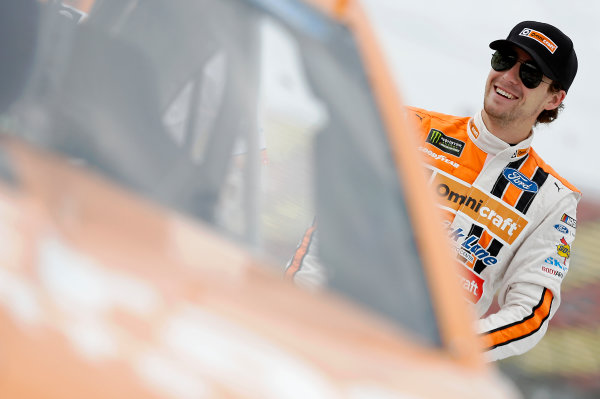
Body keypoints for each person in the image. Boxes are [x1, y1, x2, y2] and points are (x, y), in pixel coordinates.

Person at [285, 20, 580, 361]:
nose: (509, 77)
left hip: (413, 365)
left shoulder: (552, 200)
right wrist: (297, 307)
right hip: (331, 324)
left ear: (554, 98)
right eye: (503, 60)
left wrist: (450, 346)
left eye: (529, 74)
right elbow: (328, 230)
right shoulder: (407, 128)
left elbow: (530, 313)